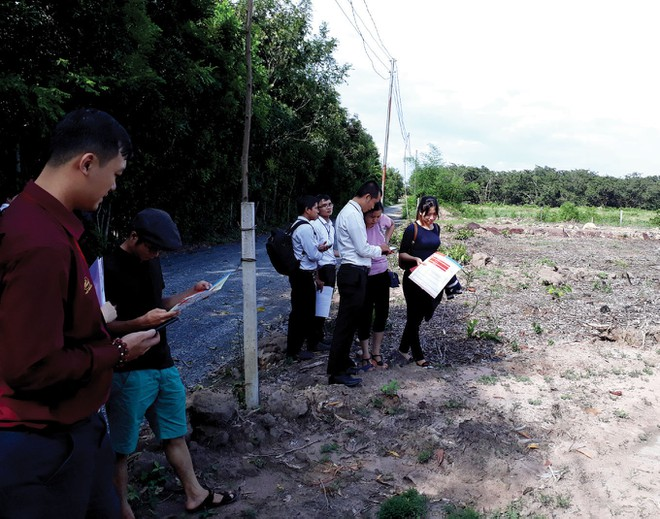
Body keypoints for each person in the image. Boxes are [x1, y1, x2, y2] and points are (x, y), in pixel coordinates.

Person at [0, 108, 160, 518]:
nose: (114, 186)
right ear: (87, 163)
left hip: (70, 430)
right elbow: (32, 366)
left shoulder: (40, 224)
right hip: (40, 444)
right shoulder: (39, 243)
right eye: (115, 174)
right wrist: (119, 351)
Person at [103, 208, 238, 518]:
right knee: (122, 448)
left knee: (173, 433)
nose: (156, 255)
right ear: (134, 237)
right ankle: (121, 509)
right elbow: (102, 325)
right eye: (152, 248)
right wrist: (140, 322)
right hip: (128, 369)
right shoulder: (107, 268)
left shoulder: (152, 260)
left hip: (163, 361)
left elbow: (158, 304)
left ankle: (194, 494)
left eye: (160, 251)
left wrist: (190, 294)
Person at [327, 181, 392, 387]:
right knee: (345, 324)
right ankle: (336, 372)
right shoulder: (353, 215)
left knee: (351, 322)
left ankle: (344, 363)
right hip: (353, 272)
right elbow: (363, 249)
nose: (372, 207)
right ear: (367, 197)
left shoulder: (350, 212)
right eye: (373, 202)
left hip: (355, 272)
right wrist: (381, 249)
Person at [397, 195, 460, 367]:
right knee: (413, 317)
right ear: (420, 212)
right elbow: (402, 254)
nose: (431, 218)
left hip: (431, 278)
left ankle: (403, 348)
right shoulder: (412, 229)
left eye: (434, 214)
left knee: (420, 315)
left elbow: (433, 250)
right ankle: (419, 356)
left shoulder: (436, 228)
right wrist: (415, 259)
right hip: (414, 279)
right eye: (428, 214)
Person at [286, 195, 330, 361]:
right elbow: (313, 255)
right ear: (307, 210)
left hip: (299, 274)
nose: (318, 211)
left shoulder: (296, 225)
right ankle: (294, 351)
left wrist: (316, 249)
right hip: (302, 275)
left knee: (303, 311)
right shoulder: (305, 228)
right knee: (301, 313)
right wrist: (321, 251)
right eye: (316, 208)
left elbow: (306, 249)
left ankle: (304, 345)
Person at [356, 202, 395, 370]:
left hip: (381, 272)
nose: (375, 220)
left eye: (378, 217)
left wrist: (386, 242)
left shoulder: (381, 220)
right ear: (364, 213)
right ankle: (365, 353)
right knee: (364, 314)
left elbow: (391, 224)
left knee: (382, 313)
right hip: (365, 274)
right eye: (372, 217)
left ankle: (376, 352)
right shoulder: (357, 226)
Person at [310, 193, 338, 350]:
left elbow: (330, 250)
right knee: (319, 305)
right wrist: (317, 276)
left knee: (324, 305)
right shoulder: (315, 225)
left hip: (331, 266)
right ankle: (314, 341)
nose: (328, 207)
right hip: (322, 268)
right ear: (318, 208)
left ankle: (319, 336)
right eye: (324, 205)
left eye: (330, 204)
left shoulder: (330, 224)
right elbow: (313, 253)